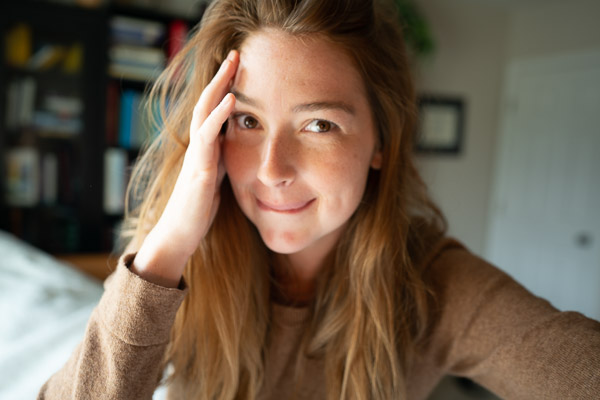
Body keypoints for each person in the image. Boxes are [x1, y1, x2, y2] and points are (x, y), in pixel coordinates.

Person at [39, 0, 600, 399]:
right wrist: (165, 253)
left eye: (319, 125)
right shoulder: (177, 261)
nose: (270, 171)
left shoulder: (434, 284)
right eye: (247, 120)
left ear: (381, 140)